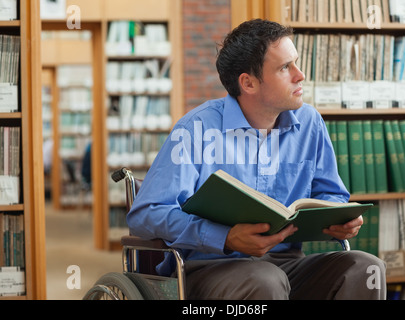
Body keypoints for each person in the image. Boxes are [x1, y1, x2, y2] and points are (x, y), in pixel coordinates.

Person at [127, 19, 386, 300]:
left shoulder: (310, 122)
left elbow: (331, 194)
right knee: (265, 281)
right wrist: (223, 237)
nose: (300, 75)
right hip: (209, 268)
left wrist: (341, 219)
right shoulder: (196, 129)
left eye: (296, 63)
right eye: (285, 67)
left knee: (366, 268)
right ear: (248, 83)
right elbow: (146, 213)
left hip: (287, 265)